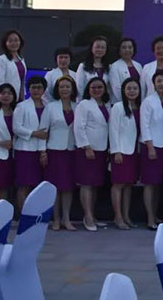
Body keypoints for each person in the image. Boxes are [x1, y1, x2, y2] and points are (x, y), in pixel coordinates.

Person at [39, 75, 77, 230]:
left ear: (72, 89)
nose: (65, 89)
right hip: (54, 151)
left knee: (68, 187)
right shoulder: (51, 107)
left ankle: (66, 219)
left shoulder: (77, 106)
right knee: (54, 187)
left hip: (71, 151)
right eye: (62, 87)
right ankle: (55, 219)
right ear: (57, 89)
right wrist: (42, 151)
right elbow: (43, 130)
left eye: (67, 86)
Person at [73, 77, 111, 231]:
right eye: (93, 87)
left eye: (100, 87)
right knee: (86, 183)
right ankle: (87, 216)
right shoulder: (84, 104)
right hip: (87, 150)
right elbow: (79, 127)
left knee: (95, 184)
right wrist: (86, 147)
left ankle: (92, 214)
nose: (97, 90)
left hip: (102, 149)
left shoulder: (107, 105)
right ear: (88, 89)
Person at [108, 77, 142, 230]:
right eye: (129, 88)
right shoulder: (118, 107)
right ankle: (118, 216)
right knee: (118, 184)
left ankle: (126, 216)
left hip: (134, 151)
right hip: (121, 152)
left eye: (135, 88)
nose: (132, 91)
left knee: (128, 185)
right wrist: (116, 151)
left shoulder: (140, 107)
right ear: (123, 90)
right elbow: (113, 130)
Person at [140, 70, 163, 230]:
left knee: (159, 183)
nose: (162, 84)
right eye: (159, 81)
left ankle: (156, 214)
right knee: (150, 183)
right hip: (151, 147)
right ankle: (149, 218)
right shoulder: (148, 101)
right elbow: (144, 125)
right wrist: (150, 146)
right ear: (154, 83)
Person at [13, 76, 48, 211]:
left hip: (43, 151)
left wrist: (43, 150)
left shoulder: (48, 106)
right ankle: (23, 214)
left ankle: (35, 213)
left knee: (38, 185)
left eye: (39, 87)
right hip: (25, 150)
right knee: (24, 184)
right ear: (29, 89)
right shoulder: (21, 106)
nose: (36, 90)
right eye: (33, 87)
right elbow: (16, 128)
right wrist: (34, 133)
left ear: (44, 90)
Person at [0, 30, 26, 104]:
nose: (14, 43)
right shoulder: (1, 60)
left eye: (16, 40)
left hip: (17, 99)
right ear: (5, 43)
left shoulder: (21, 59)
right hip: (4, 100)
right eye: (10, 41)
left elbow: (22, 81)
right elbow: (0, 83)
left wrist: (22, 97)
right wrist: (6, 97)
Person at [109, 38, 144, 102]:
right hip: (121, 102)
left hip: (136, 103)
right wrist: (126, 102)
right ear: (119, 50)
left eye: (130, 47)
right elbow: (116, 88)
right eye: (124, 48)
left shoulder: (138, 65)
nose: (127, 50)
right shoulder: (115, 66)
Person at [76, 36, 110, 102]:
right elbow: (80, 88)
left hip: (104, 103)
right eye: (97, 47)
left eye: (103, 47)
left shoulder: (109, 67)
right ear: (91, 48)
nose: (100, 50)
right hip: (88, 102)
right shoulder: (83, 66)